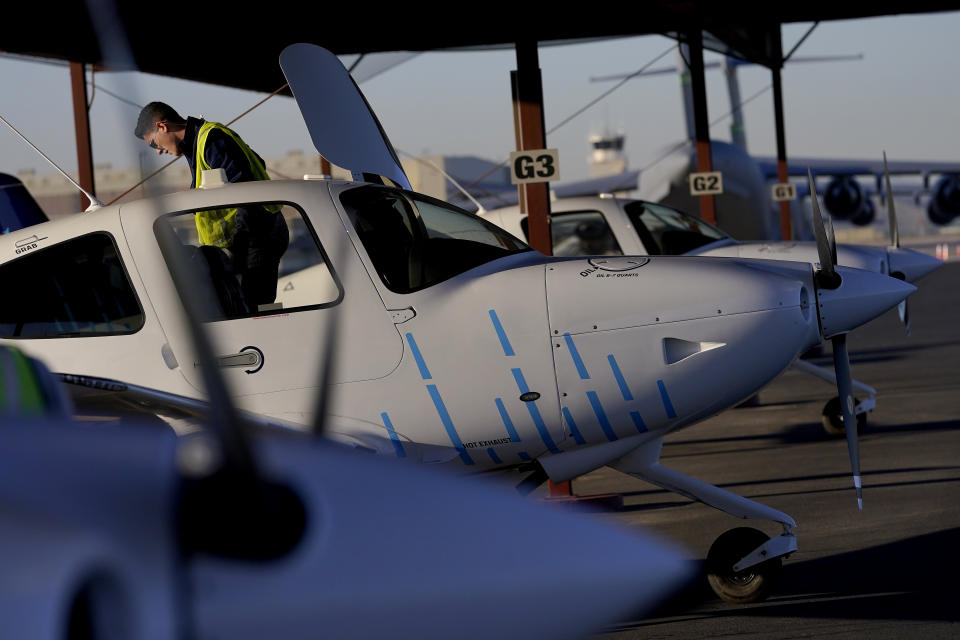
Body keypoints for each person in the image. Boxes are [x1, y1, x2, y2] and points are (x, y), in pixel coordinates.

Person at [135, 102, 288, 311]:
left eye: (154, 144)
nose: (158, 151)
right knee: (248, 308)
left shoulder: (211, 139)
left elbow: (242, 191)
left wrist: (240, 251)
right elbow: (255, 164)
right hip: (251, 238)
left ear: (162, 127)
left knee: (254, 311)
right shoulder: (197, 144)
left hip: (256, 236)